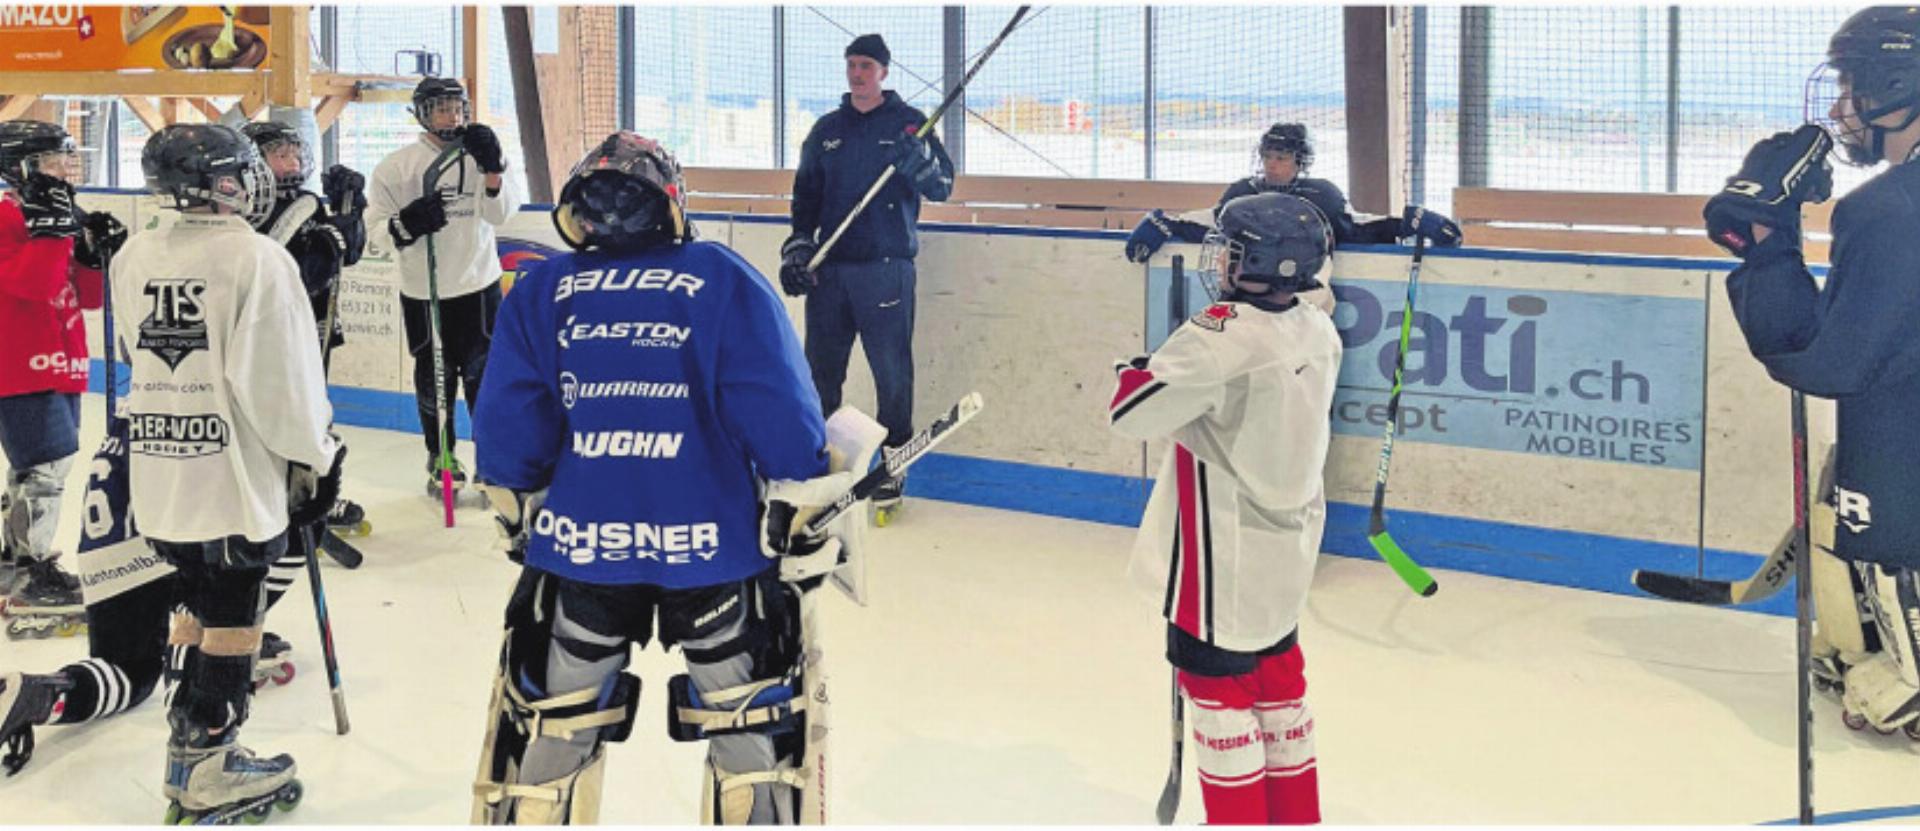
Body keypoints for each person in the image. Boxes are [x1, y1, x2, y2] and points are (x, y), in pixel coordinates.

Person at [471, 132, 872, 824]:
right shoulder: (720, 277)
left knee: (555, 727)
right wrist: (804, 495)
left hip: (582, 553)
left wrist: (516, 505)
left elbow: (509, 433)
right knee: (749, 727)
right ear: (672, 203)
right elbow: (777, 410)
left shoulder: (544, 289)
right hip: (714, 558)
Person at [111, 123, 341, 822]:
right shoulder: (257, 259)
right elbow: (281, 385)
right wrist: (318, 456)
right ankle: (209, 760)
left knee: (194, 607)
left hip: (160, 477)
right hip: (232, 478)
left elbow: (135, 348)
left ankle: (185, 752)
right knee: (234, 619)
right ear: (226, 180)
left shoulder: (134, 252)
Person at [1707, 5, 1920, 740]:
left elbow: (1830, 360)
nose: (1840, 106)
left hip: (1906, 442)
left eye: (1855, 83)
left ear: (1899, 81)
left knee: (1877, 504)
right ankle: (1868, 644)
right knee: (1841, 492)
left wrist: (1769, 242)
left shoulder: (1891, 209)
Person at [1108, 192, 1342, 824]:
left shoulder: (1216, 338)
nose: (1221, 261)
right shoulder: (1318, 327)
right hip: (1286, 560)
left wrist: (1138, 371)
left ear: (1262, 262)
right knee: (1281, 701)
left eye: (1232, 251)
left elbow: (1131, 415)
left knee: (1223, 715)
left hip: (1221, 565)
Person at [779, 33, 954, 523]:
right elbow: (804, 201)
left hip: (885, 273)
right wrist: (798, 247)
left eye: (866, 65)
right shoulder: (827, 130)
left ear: (883, 72)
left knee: (892, 378)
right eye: (852, 64)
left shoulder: (909, 125)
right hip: (830, 275)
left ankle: (891, 473)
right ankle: (818, 474)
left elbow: (942, 186)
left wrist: (917, 162)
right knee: (819, 379)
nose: (857, 73)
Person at [367, 77, 523, 502]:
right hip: (423, 293)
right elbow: (375, 233)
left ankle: (492, 463)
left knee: (483, 380)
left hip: (477, 288)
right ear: (422, 113)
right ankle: (441, 460)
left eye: (457, 108)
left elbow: (502, 213)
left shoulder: (482, 153)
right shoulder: (396, 167)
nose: (451, 117)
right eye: (441, 109)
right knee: (435, 383)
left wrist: (493, 170)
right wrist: (406, 224)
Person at [0, 118, 124, 639]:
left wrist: (95, 255)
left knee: (47, 462)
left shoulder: (53, 213)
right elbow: (31, 285)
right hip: (18, 360)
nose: (63, 170)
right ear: (21, 167)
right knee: (45, 465)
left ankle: (14, 561)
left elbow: (87, 297)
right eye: (51, 161)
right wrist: (53, 235)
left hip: (59, 357)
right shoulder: (6, 215)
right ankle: (30, 571)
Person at [1123, 123, 1461, 312]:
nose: (1272, 164)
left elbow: (1358, 227)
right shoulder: (1242, 193)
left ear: (1300, 161)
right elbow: (1211, 223)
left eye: (1281, 157)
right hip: (1248, 302)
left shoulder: (1321, 196)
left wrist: (1410, 222)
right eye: (1268, 156)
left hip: (1305, 306)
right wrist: (1165, 223)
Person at [243, 120, 370, 544]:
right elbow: (287, 275)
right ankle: (278, 489)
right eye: (280, 154)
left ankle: (311, 487)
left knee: (314, 410)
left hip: (311, 326)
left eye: (296, 153)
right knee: (279, 411)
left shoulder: (307, 203)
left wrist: (351, 212)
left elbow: (346, 253)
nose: (293, 162)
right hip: (271, 331)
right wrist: (323, 251)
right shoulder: (247, 208)